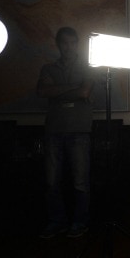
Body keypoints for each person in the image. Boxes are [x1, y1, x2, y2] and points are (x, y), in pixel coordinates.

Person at [36, 26, 94, 239]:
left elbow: (85, 91)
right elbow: (42, 91)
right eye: (64, 43)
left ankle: (80, 222)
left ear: (77, 44)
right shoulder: (48, 68)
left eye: (72, 43)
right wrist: (73, 89)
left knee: (80, 181)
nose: (68, 47)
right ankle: (57, 222)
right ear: (58, 45)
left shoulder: (88, 66)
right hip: (53, 130)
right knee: (51, 181)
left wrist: (58, 90)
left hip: (79, 130)